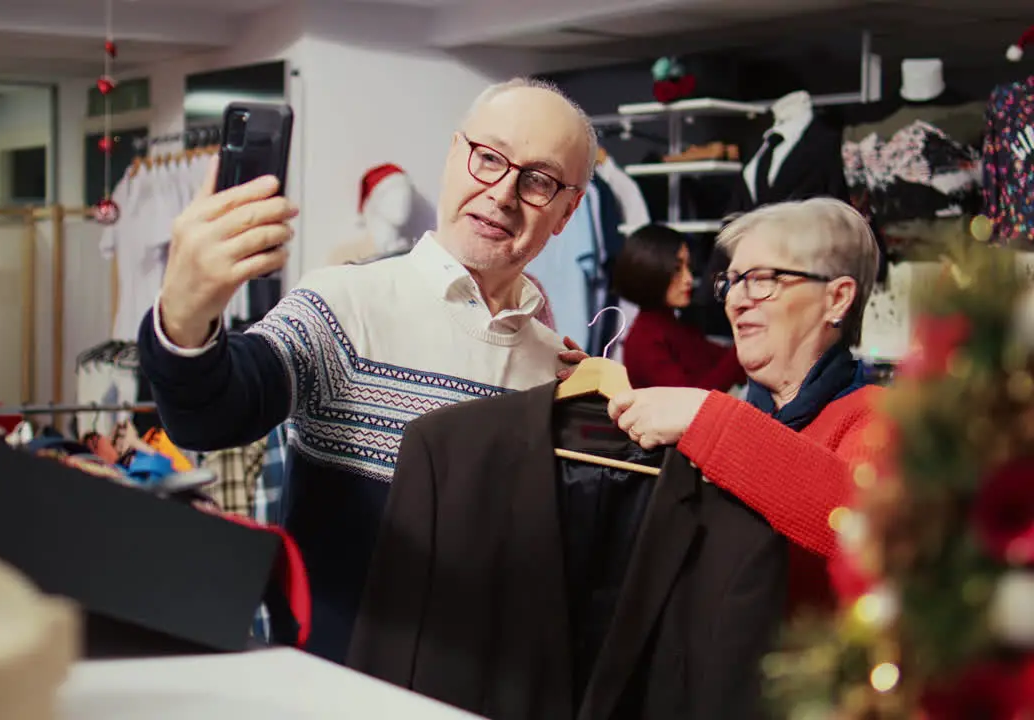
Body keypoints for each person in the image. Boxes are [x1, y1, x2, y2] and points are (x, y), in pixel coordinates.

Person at [140, 77, 595, 661]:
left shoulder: (559, 366)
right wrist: (184, 311)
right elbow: (213, 413)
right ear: (456, 155)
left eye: (537, 180)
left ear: (567, 210)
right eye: (489, 159)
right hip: (339, 687)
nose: (503, 193)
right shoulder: (343, 305)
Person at [606, 197, 882, 613]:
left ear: (837, 299)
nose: (734, 300)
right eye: (731, 281)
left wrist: (707, 418)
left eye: (761, 279)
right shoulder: (742, 424)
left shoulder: (879, 417)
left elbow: (864, 524)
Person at [614, 223, 746, 390]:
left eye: (688, 267)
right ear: (651, 270)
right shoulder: (645, 340)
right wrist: (740, 349)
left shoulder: (676, 326)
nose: (688, 279)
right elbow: (692, 404)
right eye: (677, 269)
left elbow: (730, 363)